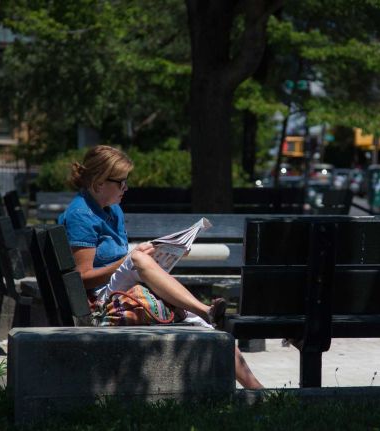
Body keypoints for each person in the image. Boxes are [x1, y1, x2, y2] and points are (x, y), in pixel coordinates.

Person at [58, 145, 263, 389]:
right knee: (137, 259)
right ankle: (204, 309)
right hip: (98, 298)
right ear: (100, 182)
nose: (126, 188)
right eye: (121, 182)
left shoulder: (113, 210)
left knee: (209, 329)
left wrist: (166, 251)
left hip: (120, 285)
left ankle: (258, 392)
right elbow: (82, 279)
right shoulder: (81, 215)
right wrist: (130, 259)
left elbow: (123, 260)